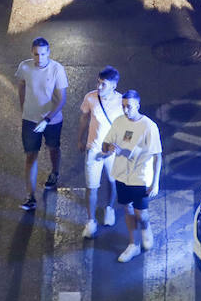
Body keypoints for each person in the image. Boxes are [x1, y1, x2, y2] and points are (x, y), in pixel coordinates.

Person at [102, 90, 162, 262]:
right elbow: (105, 145)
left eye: (129, 107)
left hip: (140, 178)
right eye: (123, 107)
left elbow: (158, 155)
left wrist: (155, 183)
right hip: (121, 175)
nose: (125, 110)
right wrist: (108, 148)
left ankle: (146, 228)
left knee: (141, 214)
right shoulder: (119, 122)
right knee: (127, 209)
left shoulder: (148, 127)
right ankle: (133, 244)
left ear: (138, 105)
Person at [15, 37, 68, 212]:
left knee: (53, 148)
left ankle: (54, 172)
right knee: (31, 156)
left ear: (49, 53)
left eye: (43, 54)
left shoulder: (57, 70)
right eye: (37, 54)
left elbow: (61, 100)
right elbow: (21, 85)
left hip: (52, 121)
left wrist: (47, 119)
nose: (40, 58)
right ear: (32, 53)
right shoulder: (25, 67)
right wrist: (23, 106)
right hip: (30, 120)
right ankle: (30, 197)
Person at [76, 66, 123, 238]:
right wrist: (79, 139)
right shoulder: (90, 98)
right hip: (94, 150)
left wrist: (119, 145)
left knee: (113, 182)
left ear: (114, 86)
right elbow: (84, 118)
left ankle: (109, 208)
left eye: (104, 84)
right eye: (98, 82)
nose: (99, 87)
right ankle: (90, 221)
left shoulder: (121, 102)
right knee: (92, 187)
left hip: (113, 151)